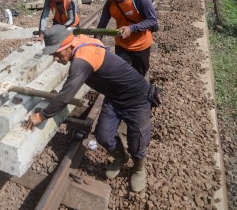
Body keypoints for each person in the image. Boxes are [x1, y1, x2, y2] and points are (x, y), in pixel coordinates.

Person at [23, 25, 153, 192]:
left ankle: (139, 167)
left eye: (57, 53)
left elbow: (65, 97)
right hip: (114, 97)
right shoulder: (80, 42)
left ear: (68, 46)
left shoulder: (81, 61)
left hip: (136, 97)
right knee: (103, 136)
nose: (56, 59)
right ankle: (121, 157)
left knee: (137, 141)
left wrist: (41, 116)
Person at [96, 0, 158, 77]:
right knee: (121, 75)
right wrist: (96, 42)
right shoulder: (110, 3)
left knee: (139, 75)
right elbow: (102, 25)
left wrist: (132, 28)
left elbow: (152, 20)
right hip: (122, 45)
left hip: (141, 45)